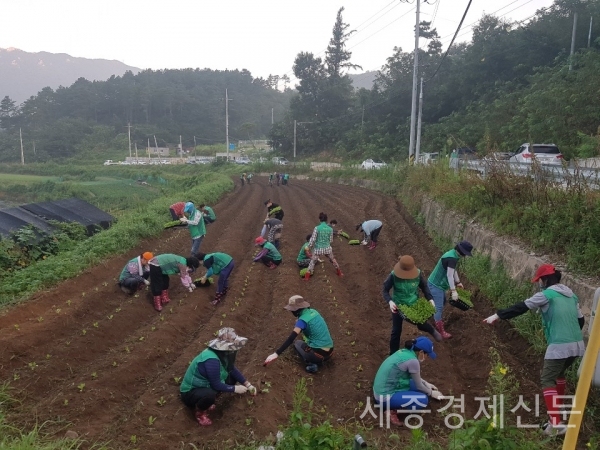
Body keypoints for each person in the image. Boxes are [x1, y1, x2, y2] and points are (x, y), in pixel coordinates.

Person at [483, 264, 585, 436]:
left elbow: (522, 307)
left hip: (559, 345)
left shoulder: (546, 295)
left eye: (540, 280)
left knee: (547, 380)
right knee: (558, 376)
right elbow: (580, 321)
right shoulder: (572, 296)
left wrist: (497, 315)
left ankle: (556, 424)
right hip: (577, 346)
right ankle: (555, 421)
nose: (539, 284)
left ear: (544, 280)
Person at [180, 327, 257, 426]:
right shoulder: (211, 359)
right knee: (209, 395)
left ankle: (208, 401)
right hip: (190, 392)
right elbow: (216, 384)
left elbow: (231, 369)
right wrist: (235, 388)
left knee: (231, 378)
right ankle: (200, 413)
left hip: (206, 384)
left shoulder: (223, 354)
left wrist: (248, 385)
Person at [373, 336, 443, 426]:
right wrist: (431, 393)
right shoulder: (413, 361)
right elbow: (419, 386)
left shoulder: (404, 352)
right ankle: (392, 411)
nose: (427, 357)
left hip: (382, 388)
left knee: (421, 387)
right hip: (384, 397)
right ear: (421, 352)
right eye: (427, 355)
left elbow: (415, 378)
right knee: (422, 400)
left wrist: (426, 383)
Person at [382, 255, 442, 354]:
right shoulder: (393, 276)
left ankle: (432, 330)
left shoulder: (418, 274)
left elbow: (424, 287)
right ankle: (393, 354)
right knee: (396, 331)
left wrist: (431, 299)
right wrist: (390, 302)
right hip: (398, 305)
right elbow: (385, 290)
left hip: (413, 303)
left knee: (420, 321)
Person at [264, 295, 334, 373]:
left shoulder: (302, 321)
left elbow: (291, 339)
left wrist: (276, 354)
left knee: (297, 343)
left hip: (317, 356)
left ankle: (312, 364)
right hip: (330, 352)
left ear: (296, 310)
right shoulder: (314, 312)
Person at [427, 240, 473, 339]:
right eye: (465, 254)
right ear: (462, 252)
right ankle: (440, 331)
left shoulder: (453, 254)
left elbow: (453, 270)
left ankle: (432, 315)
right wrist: (453, 291)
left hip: (438, 285)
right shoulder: (452, 258)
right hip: (435, 285)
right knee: (438, 308)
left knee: (442, 301)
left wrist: (458, 282)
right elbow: (449, 275)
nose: (465, 256)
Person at [304, 212, 343, 280]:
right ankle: (339, 272)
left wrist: (308, 247)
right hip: (327, 248)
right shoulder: (330, 229)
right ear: (326, 220)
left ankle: (307, 277)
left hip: (318, 249)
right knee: (333, 260)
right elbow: (331, 240)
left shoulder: (317, 228)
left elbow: (312, 239)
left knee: (312, 262)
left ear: (320, 220)